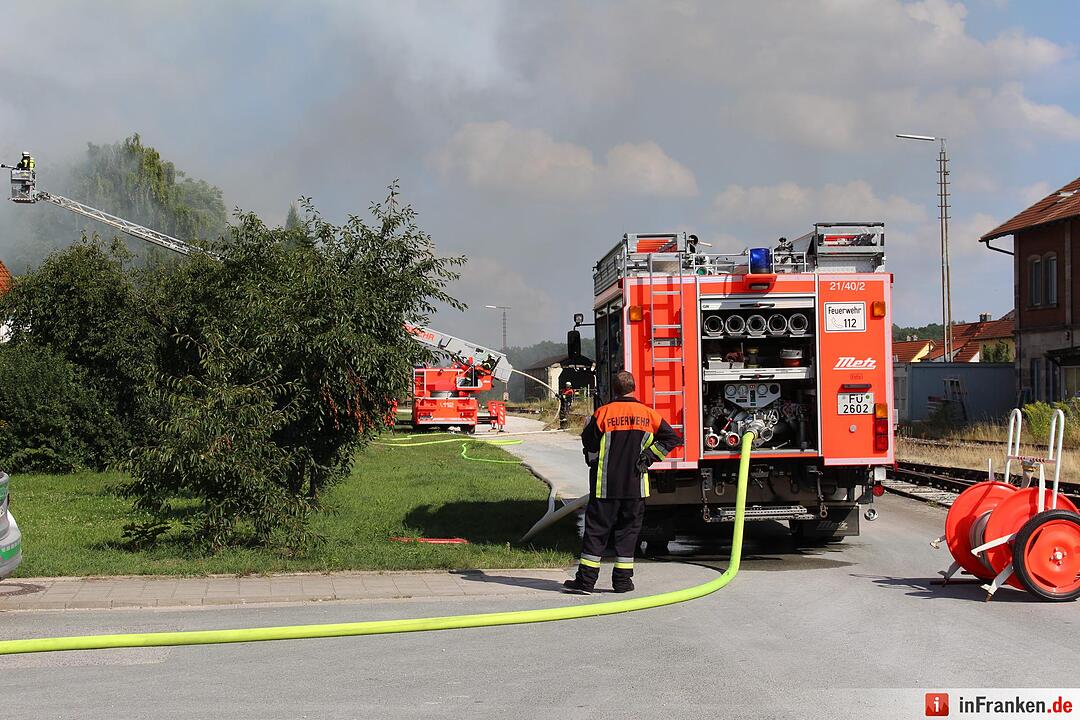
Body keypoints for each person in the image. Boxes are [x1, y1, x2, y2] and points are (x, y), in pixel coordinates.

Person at [564, 370, 682, 594]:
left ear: (615, 389)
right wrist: (649, 456)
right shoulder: (648, 414)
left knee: (596, 533)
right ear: (633, 388)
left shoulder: (603, 413)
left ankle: (586, 582)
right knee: (628, 534)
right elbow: (672, 438)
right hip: (635, 486)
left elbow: (588, 442)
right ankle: (623, 582)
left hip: (605, 486)